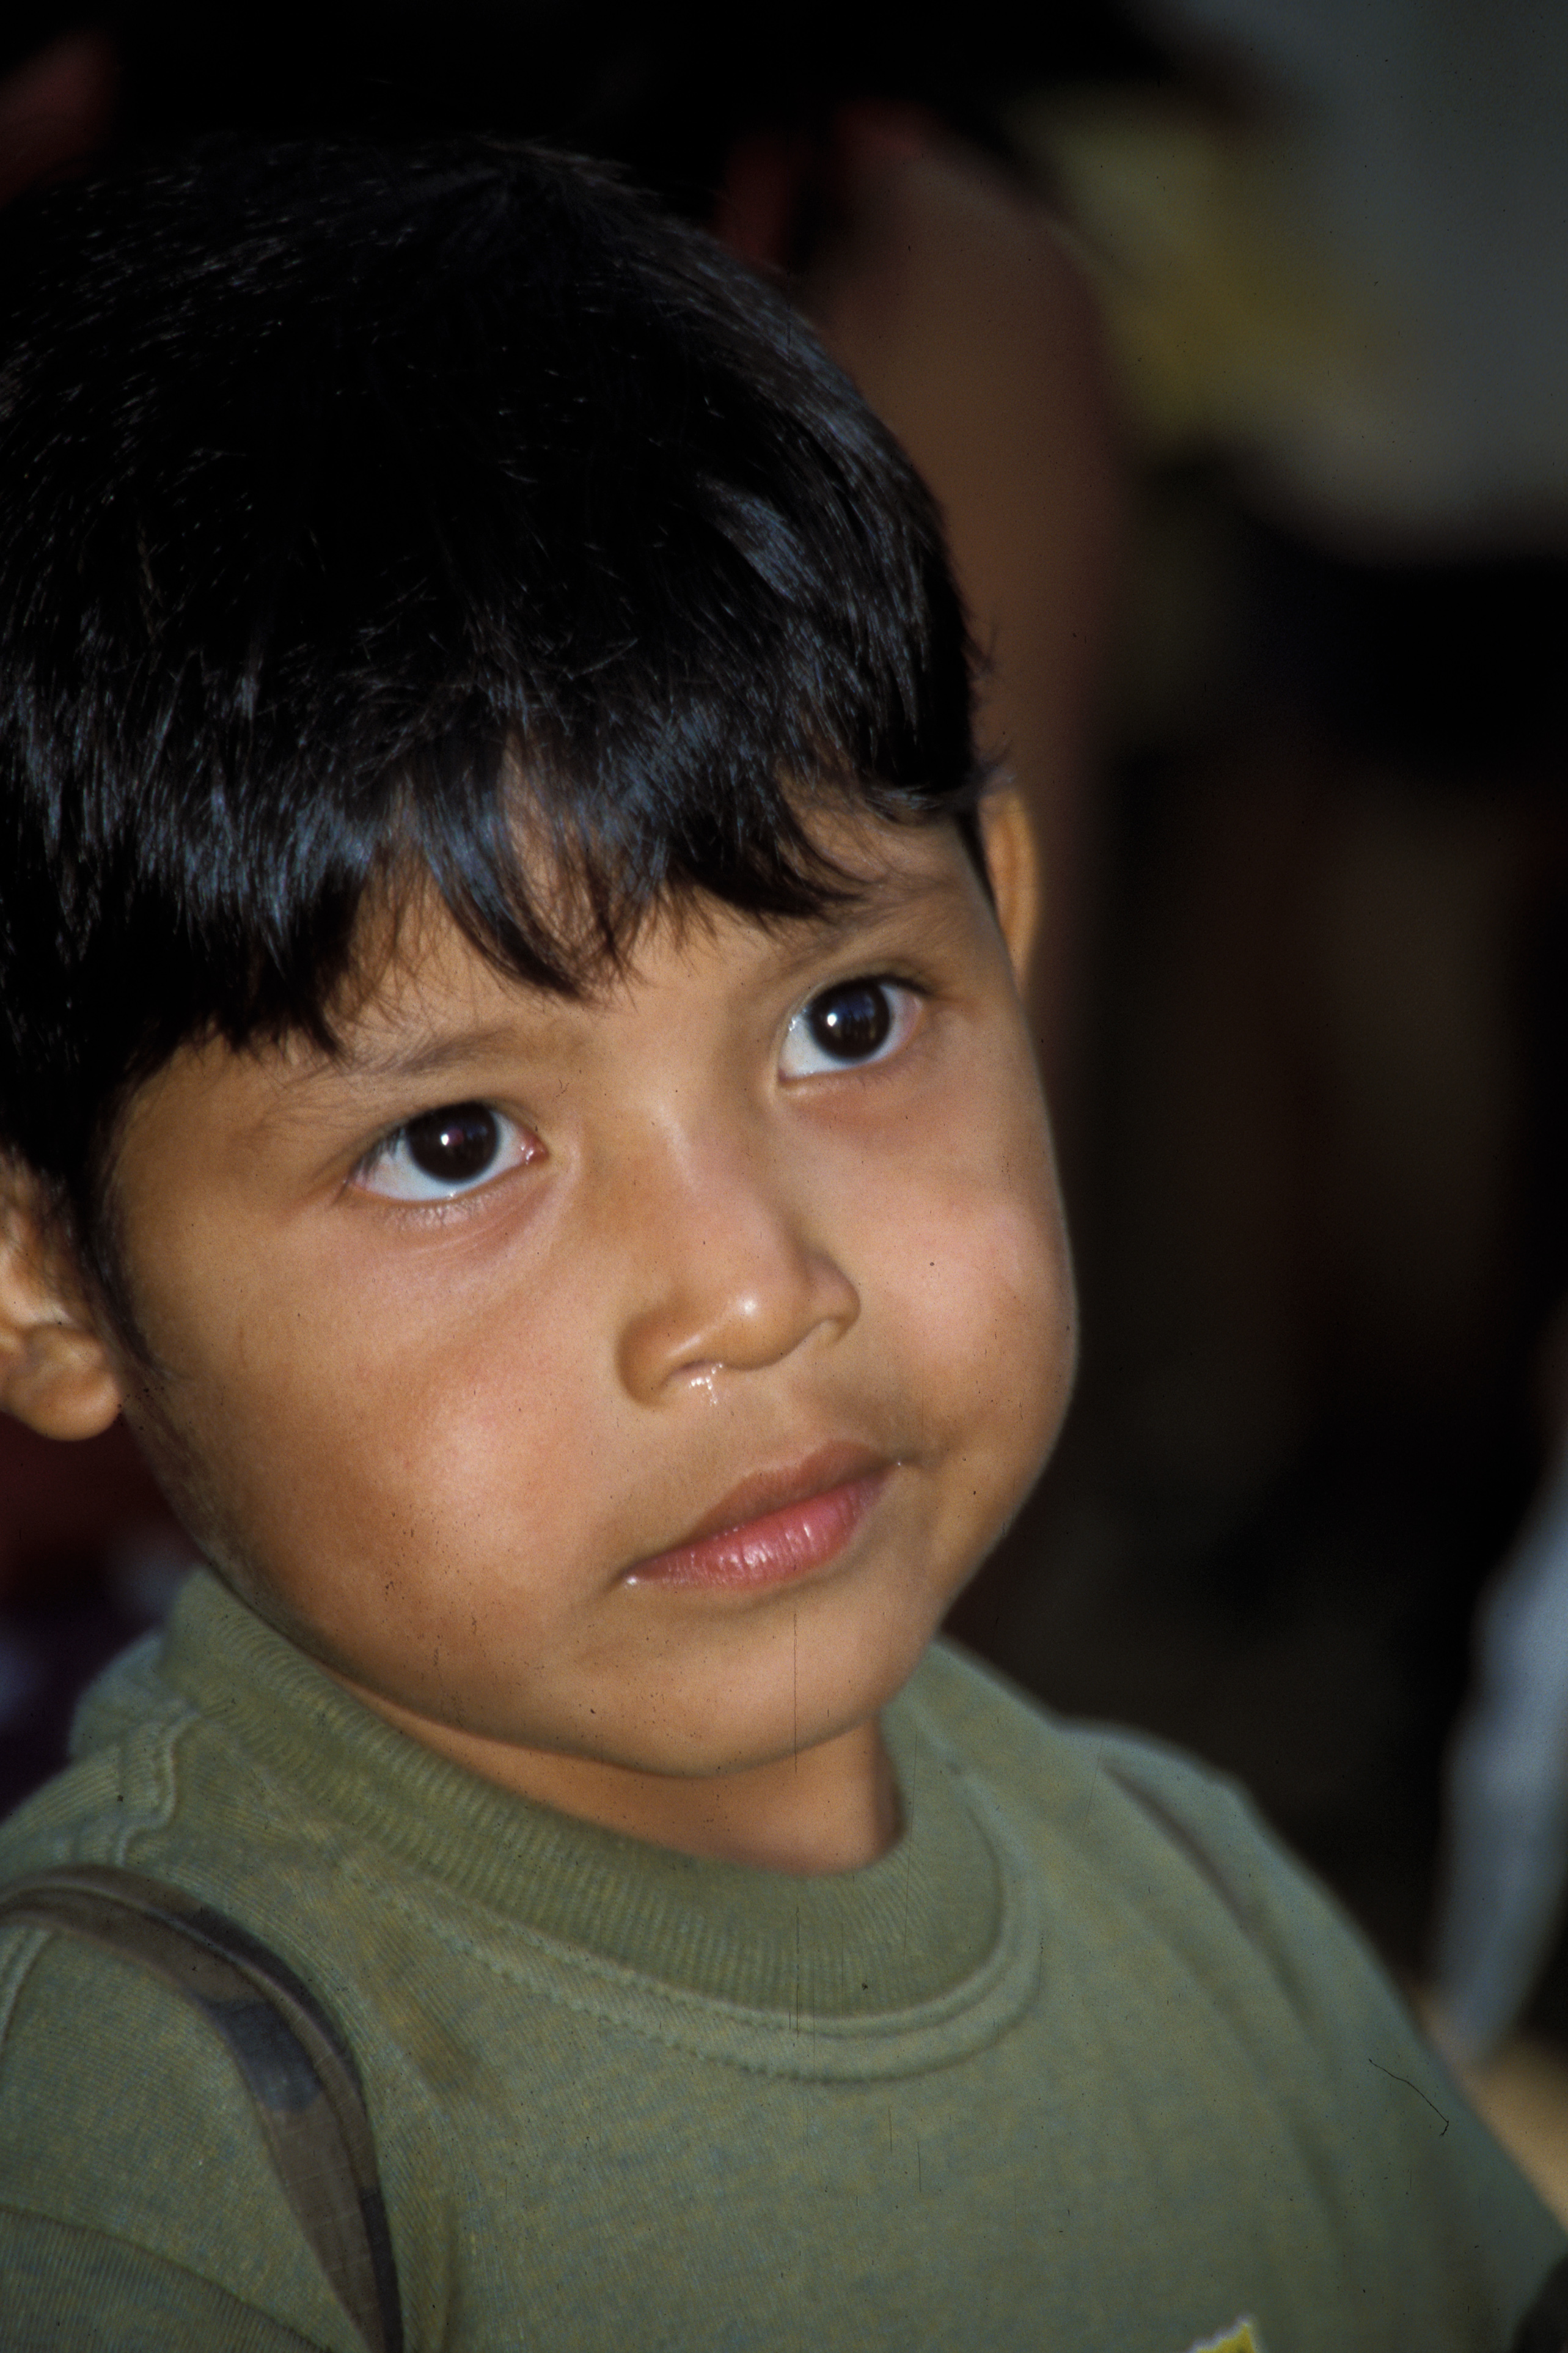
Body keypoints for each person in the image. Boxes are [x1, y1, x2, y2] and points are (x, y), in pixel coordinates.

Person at [0, 139, 1559, 2353]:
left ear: (1010, 929)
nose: (750, 1288)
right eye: (452, 1142)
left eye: (849, 1021)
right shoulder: (154, 2134)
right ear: (43, 1277)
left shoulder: (1209, 1907)